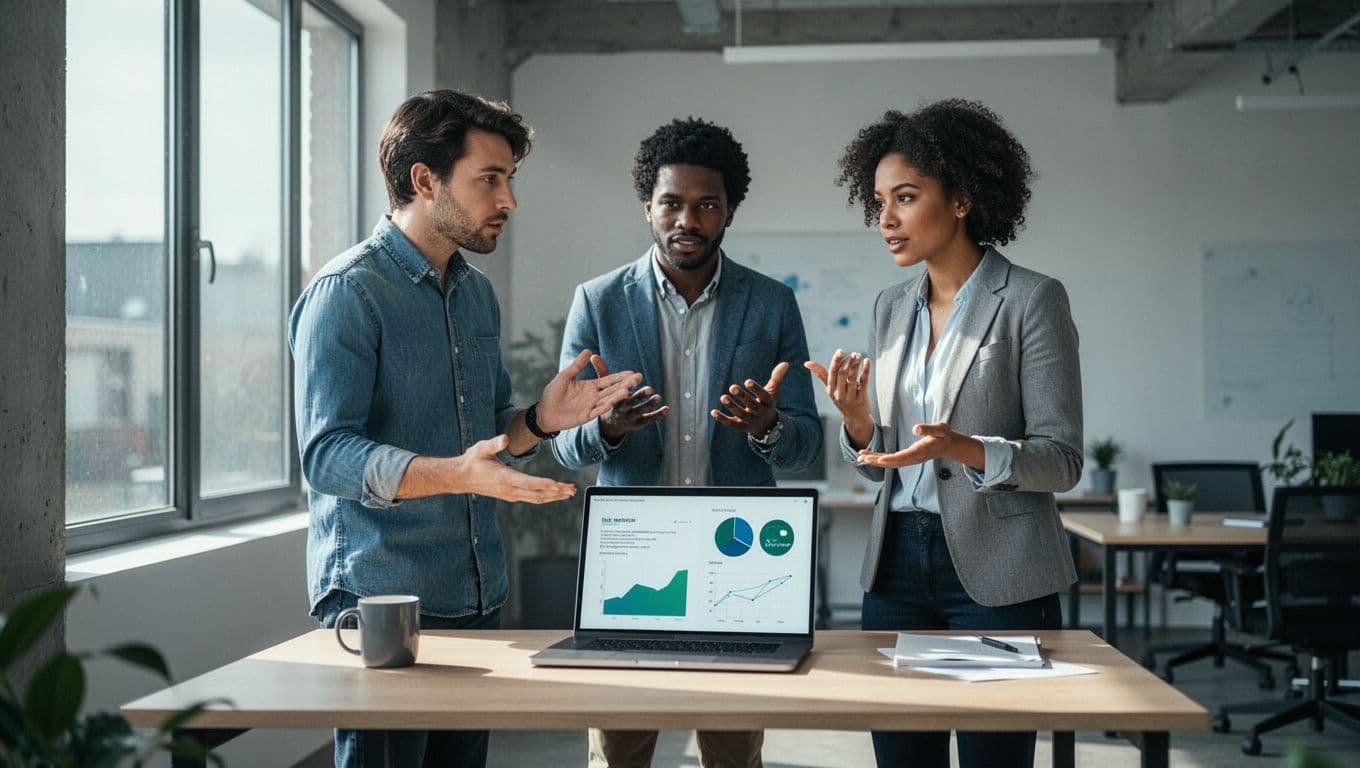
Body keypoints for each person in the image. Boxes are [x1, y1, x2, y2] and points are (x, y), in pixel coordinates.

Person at [288, 89, 640, 768]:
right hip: (382, 597)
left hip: (476, 591)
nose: (508, 200)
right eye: (490, 178)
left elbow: (489, 438)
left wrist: (539, 421)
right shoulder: (347, 294)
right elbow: (327, 456)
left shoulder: (476, 292)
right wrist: (455, 473)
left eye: (510, 179)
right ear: (425, 180)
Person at [806, 99, 1083, 768]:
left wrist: (965, 447)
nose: (886, 219)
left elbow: (1063, 460)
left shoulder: (1031, 299)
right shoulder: (889, 307)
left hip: (999, 570)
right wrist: (859, 425)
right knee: (902, 759)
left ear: (961, 198)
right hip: (896, 564)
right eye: (878, 201)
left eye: (905, 197)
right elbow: (884, 461)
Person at [553, 118, 823, 768]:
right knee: (618, 752)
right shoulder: (597, 303)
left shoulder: (772, 304)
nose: (688, 220)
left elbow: (807, 448)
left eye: (707, 205)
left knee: (733, 753)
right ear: (648, 206)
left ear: (729, 210)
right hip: (633, 561)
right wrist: (607, 428)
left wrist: (767, 428)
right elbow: (563, 450)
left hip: (739, 557)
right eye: (672, 203)